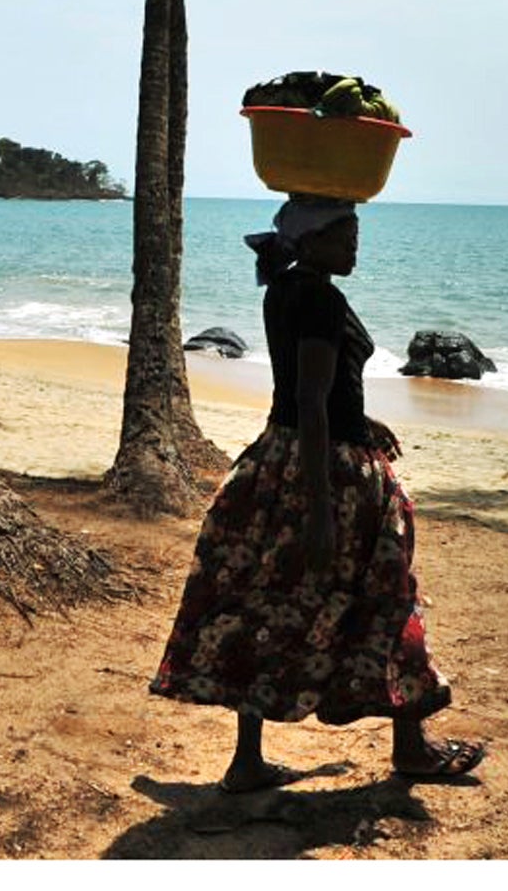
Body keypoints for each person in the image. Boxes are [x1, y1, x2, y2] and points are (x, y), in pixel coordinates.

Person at [150, 194, 486, 789]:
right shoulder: (322, 299)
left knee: (260, 602)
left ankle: (246, 761)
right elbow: (309, 397)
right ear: (310, 241)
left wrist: (362, 422)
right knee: (388, 599)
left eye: (355, 232)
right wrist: (321, 512)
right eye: (343, 233)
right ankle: (411, 747)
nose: (354, 244)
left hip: (277, 454)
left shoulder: (283, 289)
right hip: (325, 471)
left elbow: (315, 391)